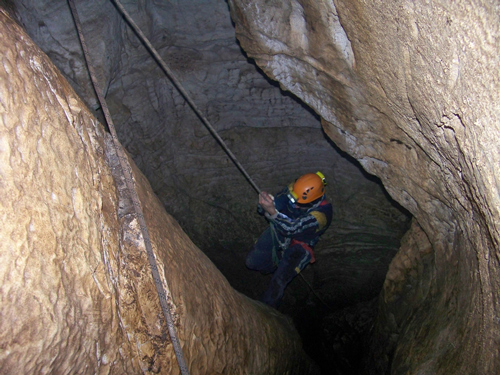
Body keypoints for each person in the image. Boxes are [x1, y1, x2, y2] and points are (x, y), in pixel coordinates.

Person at [246, 171, 333, 308]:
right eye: (294, 201)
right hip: (280, 229)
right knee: (251, 262)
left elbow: (292, 228)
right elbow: (278, 203)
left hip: (300, 245)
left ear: (314, 201)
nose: (296, 206)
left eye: (301, 204)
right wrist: (265, 205)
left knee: (279, 282)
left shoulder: (321, 216)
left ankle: (265, 310)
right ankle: (272, 266)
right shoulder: (295, 189)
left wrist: (273, 213)